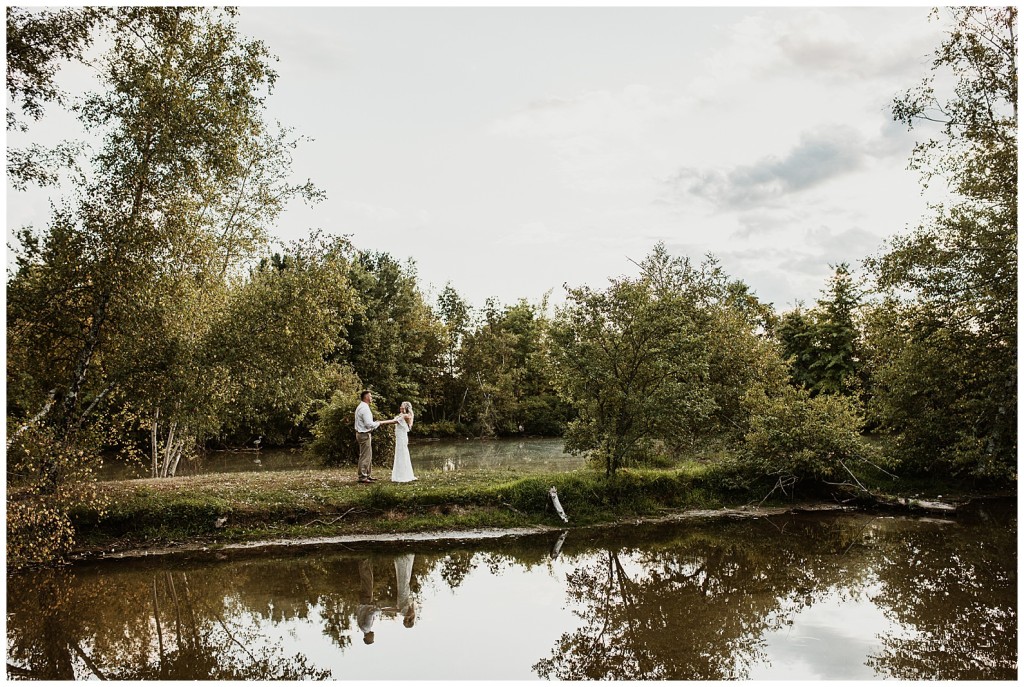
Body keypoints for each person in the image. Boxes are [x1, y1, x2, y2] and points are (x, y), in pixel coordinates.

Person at [354, 390, 397, 484]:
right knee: (365, 456)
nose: (371, 397)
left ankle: (367, 475)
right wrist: (380, 423)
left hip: (362, 433)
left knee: (368, 455)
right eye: (370, 396)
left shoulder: (361, 406)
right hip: (363, 434)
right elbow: (369, 424)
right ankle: (362, 477)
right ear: (366, 397)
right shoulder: (364, 408)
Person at [391, 401, 417, 483]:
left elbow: (394, 421)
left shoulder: (405, 416)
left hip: (402, 437)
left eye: (402, 406)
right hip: (399, 437)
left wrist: (380, 423)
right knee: (399, 454)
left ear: (405, 408)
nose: (400, 407)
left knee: (402, 454)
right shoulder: (402, 415)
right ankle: (400, 474)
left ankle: (403, 475)